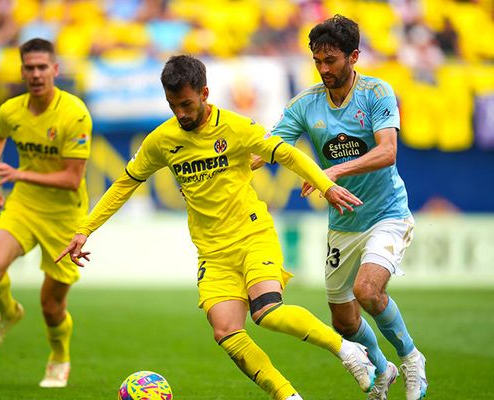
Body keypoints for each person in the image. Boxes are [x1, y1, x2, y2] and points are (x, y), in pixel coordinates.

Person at [56, 54, 376, 400]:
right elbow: (124, 184)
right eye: (173, 105)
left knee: (267, 312)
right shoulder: (162, 140)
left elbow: (287, 154)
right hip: (213, 252)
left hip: (252, 235)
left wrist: (326, 186)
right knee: (225, 330)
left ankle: (348, 351)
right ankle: (288, 396)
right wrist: (85, 229)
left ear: (205, 93)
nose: (181, 113)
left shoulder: (236, 127)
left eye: (186, 104)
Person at [269, 15, 428, 400]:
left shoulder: (376, 92)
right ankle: (382, 369)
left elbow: (388, 152)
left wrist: (332, 171)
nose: (323, 69)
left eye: (331, 60)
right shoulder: (305, 104)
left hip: (387, 213)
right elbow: (266, 149)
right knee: (343, 319)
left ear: (353, 56)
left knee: (367, 291)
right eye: (317, 61)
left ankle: (411, 358)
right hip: (343, 223)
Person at [0, 37, 92, 388]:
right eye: (30, 68)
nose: (37, 74)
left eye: (43, 67)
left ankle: (59, 357)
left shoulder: (74, 114)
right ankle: (8, 312)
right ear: (22, 72)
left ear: (55, 69)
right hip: (25, 204)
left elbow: (72, 179)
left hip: (64, 216)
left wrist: (17, 174)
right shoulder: (11, 110)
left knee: (51, 307)